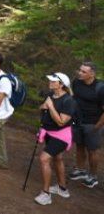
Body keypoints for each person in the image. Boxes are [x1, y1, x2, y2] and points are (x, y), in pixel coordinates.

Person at [34, 72, 75, 205]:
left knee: (44, 158)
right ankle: (62, 189)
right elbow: (42, 109)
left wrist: (50, 106)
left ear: (61, 84)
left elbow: (61, 122)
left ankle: (46, 194)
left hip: (61, 135)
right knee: (57, 158)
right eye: (50, 80)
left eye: (53, 81)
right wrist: (44, 106)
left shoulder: (69, 101)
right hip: (49, 133)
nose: (50, 82)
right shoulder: (50, 95)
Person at [68, 62, 104, 188]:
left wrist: (97, 127)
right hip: (78, 121)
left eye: (84, 72)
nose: (80, 73)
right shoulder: (77, 82)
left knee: (92, 150)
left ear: (92, 73)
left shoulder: (100, 88)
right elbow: (74, 98)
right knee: (79, 145)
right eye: (80, 70)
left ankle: (93, 175)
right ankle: (80, 169)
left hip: (93, 123)